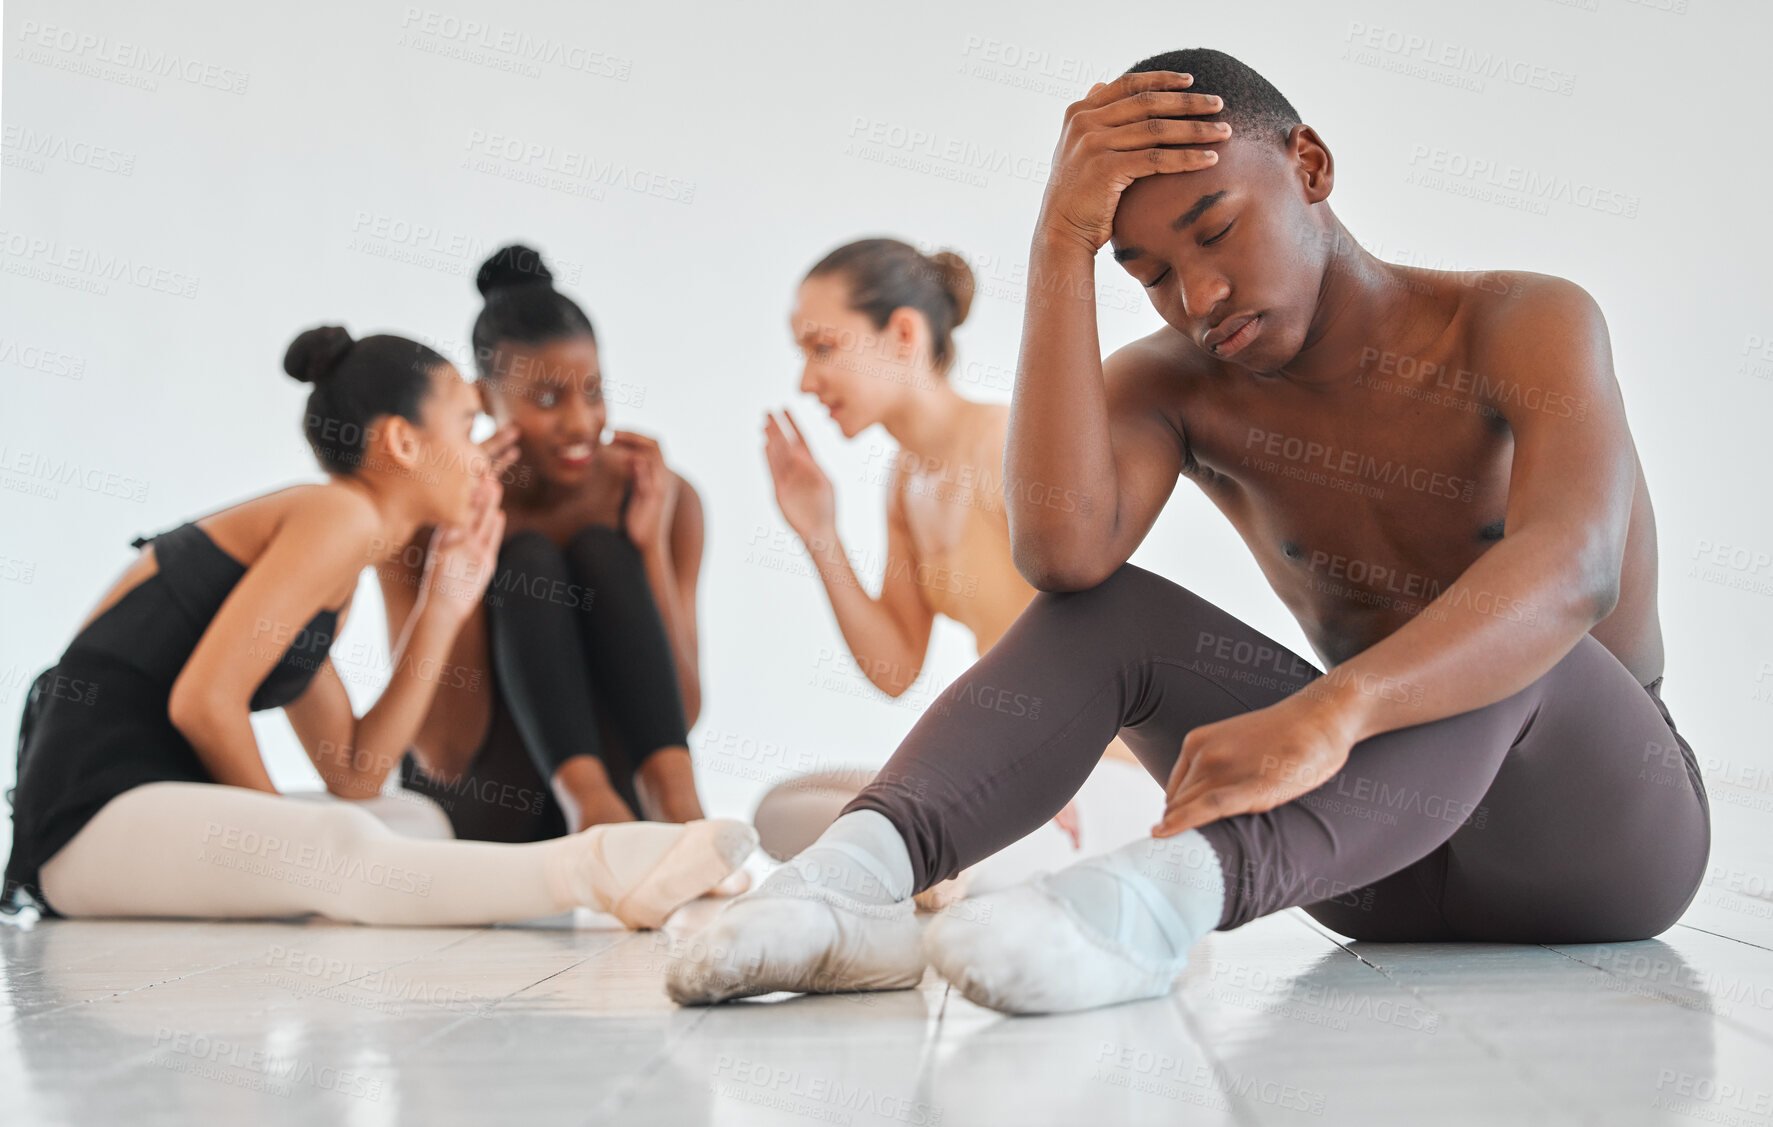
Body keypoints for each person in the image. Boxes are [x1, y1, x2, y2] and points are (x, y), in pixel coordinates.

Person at [665, 48, 1708, 1015]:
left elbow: (1574, 569)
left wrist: (1337, 706)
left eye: (1214, 230)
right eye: (1149, 272)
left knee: (1514, 620)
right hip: (1367, 860)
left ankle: (1147, 906)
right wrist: (1059, 243)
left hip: (1600, 838)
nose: (1198, 295)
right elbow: (1063, 556)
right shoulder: (1176, 384)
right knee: (1103, 608)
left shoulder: (1522, 320)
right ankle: (851, 887)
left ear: (1309, 164)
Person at [1, 324, 753, 928]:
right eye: (467, 423)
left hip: (156, 804)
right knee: (339, 846)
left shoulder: (338, 552)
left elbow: (355, 770)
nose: (484, 454)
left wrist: (444, 604)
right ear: (400, 442)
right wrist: (278, 840)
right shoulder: (336, 515)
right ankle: (606, 871)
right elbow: (203, 701)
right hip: (87, 817)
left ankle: (613, 867)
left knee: (413, 816)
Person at [756, 236, 1161, 910]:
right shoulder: (906, 479)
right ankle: (937, 863)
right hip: (1004, 769)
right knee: (780, 811)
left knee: (884, 834)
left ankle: (949, 862)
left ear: (904, 333)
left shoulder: (1007, 442)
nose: (805, 380)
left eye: (822, 348)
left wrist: (1037, 768)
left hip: (1099, 767)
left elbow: (1097, 634)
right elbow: (894, 668)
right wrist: (819, 532)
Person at [386, 244, 715, 844]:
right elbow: (442, 753)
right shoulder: (423, 516)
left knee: (602, 553)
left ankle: (678, 811)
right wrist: (460, 532)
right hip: (487, 814)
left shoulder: (663, 498)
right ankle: (585, 803)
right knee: (528, 558)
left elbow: (683, 712)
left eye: (593, 391)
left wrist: (648, 550)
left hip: (629, 812)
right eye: (545, 399)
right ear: (484, 398)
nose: (580, 423)